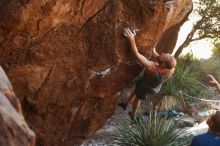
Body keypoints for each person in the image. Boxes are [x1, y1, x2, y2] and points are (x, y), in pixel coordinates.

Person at [119, 28, 176, 119]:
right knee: (136, 90)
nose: (163, 52)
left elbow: (136, 54)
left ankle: (133, 114)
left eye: (165, 54)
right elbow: (157, 56)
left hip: (147, 86)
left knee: (138, 98)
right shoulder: (170, 68)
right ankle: (125, 104)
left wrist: (131, 38)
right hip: (153, 85)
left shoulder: (152, 68)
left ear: (163, 64)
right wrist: (154, 44)